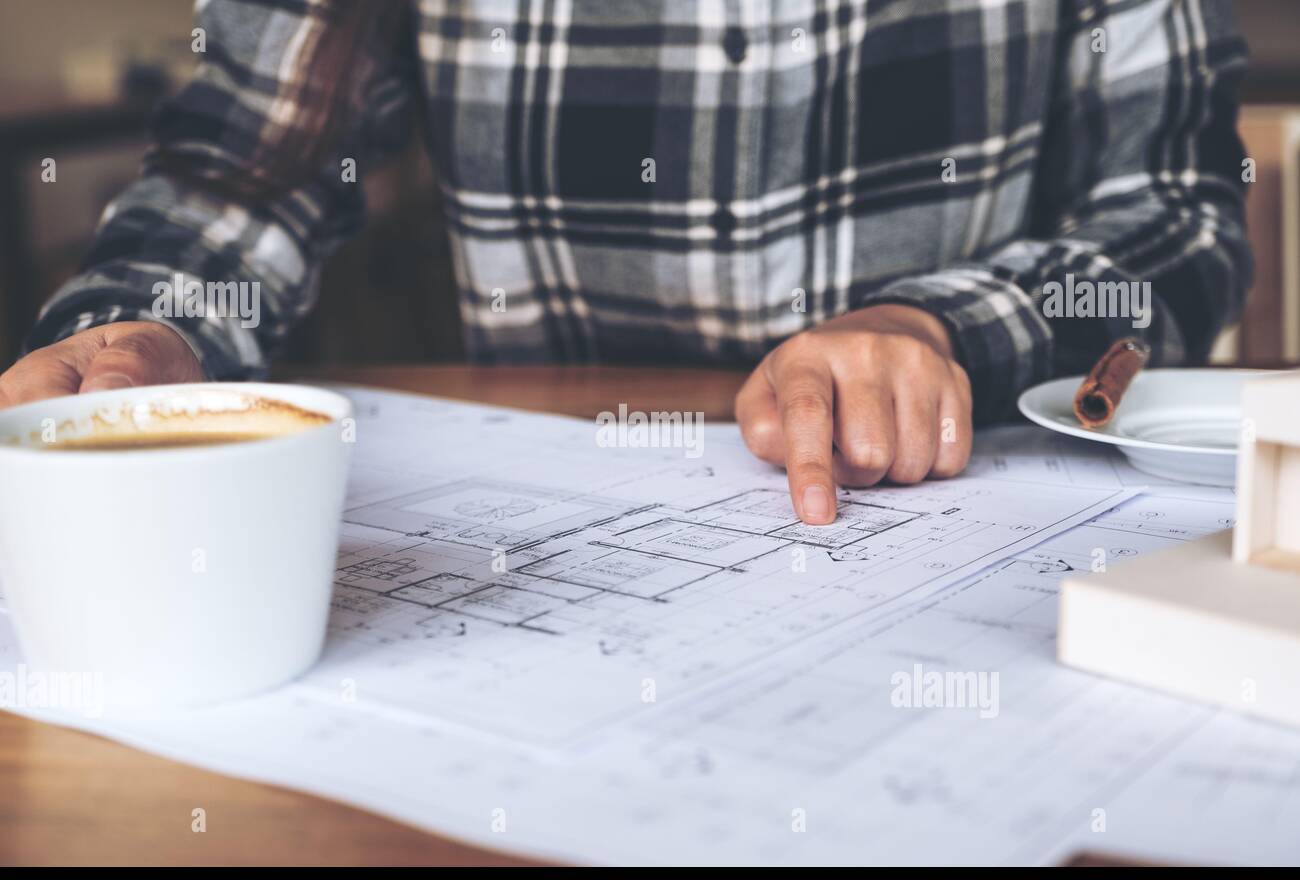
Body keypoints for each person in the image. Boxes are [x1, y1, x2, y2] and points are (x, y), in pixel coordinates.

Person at [0, 0, 1251, 525]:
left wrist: (940, 328)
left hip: (976, 505)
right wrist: (147, 326)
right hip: (554, 524)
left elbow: (1181, 213)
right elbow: (254, 168)